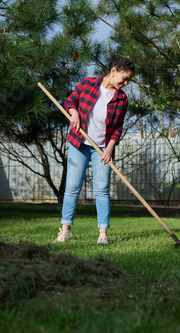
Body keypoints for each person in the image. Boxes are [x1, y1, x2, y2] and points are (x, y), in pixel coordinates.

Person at [55, 55, 135, 245]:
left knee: (102, 190)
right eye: (124, 78)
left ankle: (103, 235)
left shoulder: (122, 99)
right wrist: (73, 113)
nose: (125, 83)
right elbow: (69, 102)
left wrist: (109, 149)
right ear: (113, 71)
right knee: (72, 188)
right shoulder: (87, 84)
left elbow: (118, 129)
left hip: (103, 148)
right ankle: (66, 231)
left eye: (128, 80)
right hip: (79, 143)